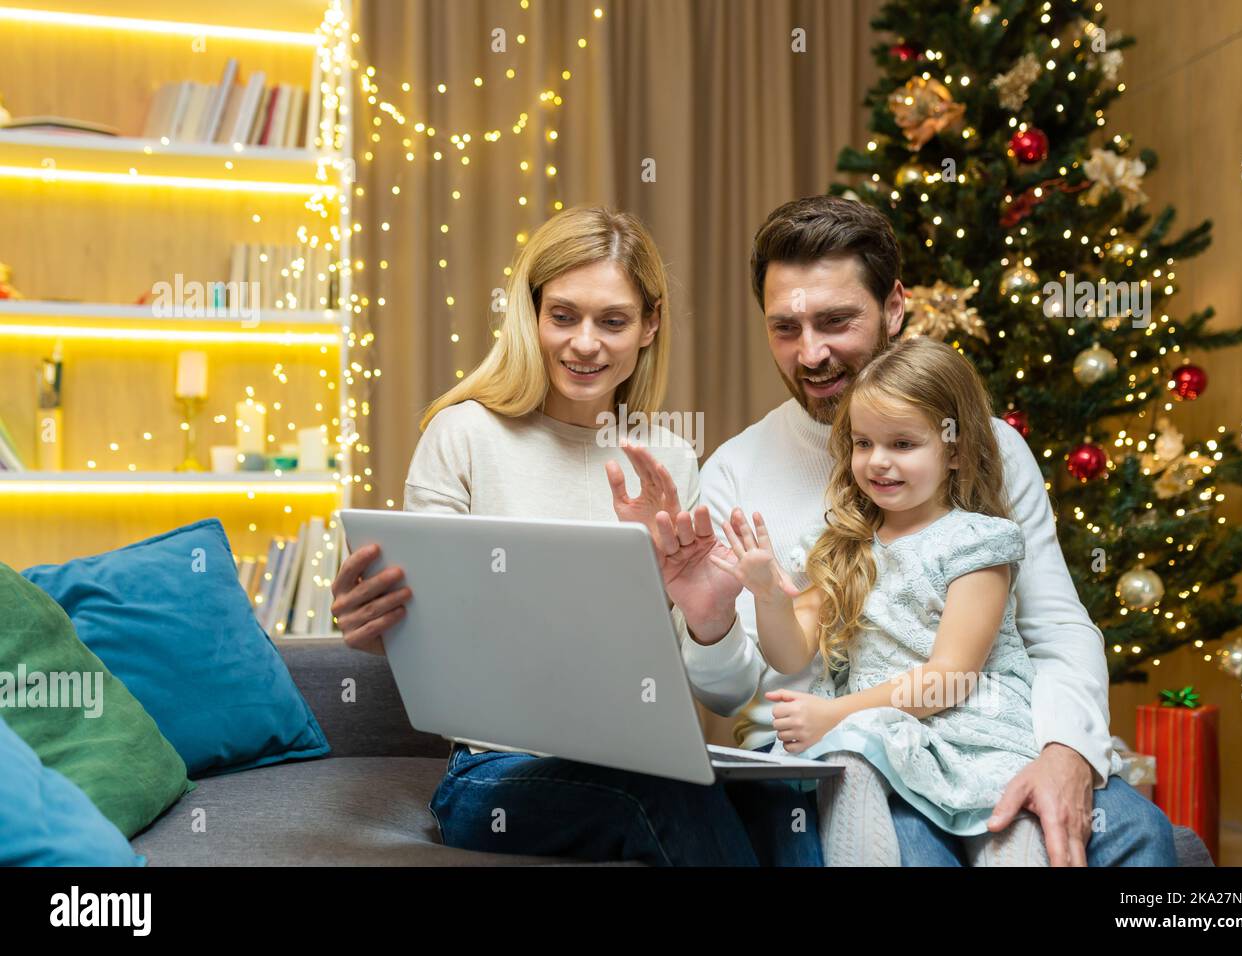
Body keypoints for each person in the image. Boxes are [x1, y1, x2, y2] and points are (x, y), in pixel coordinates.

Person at [335, 195, 1178, 866]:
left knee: (1137, 836)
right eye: (786, 327)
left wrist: (1069, 750)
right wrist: (711, 610)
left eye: (835, 322)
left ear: (895, 308)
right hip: (785, 755)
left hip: (970, 736)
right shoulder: (717, 464)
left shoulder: (981, 453)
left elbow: (1057, 627)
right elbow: (733, 685)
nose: (810, 353)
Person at [331, 204, 820, 866]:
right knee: (664, 794)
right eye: (563, 315)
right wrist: (377, 627)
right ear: (531, 316)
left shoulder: (669, 461)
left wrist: (708, 620)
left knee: (779, 800)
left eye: (612, 321)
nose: (584, 343)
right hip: (492, 776)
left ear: (649, 326)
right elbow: (431, 640)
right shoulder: (465, 434)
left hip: (641, 756)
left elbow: (726, 693)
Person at [712, 335, 1052, 865]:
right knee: (848, 755)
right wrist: (766, 596)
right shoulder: (843, 544)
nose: (878, 462)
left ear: (956, 450)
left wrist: (834, 713)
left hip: (975, 731)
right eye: (864, 443)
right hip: (883, 730)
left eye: (903, 444)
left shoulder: (978, 543)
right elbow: (791, 654)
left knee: (1010, 836)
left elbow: (952, 674)